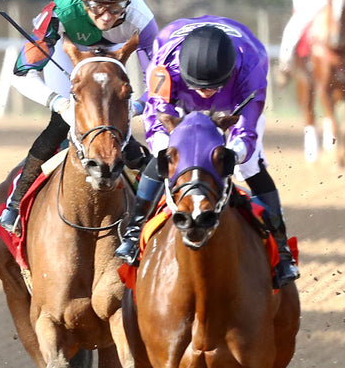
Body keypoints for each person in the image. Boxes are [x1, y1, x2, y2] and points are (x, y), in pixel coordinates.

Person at [114, 18, 300, 288]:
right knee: (162, 158)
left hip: (233, 101)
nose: (205, 93)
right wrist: (169, 151)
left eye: (212, 87)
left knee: (250, 167)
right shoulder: (163, 64)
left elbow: (247, 131)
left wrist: (232, 154)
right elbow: (156, 121)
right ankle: (134, 232)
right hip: (179, 99)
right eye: (199, 87)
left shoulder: (251, 68)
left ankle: (281, 251)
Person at [0, 0, 158, 233]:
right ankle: (16, 201)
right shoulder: (60, 12)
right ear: (82, 0)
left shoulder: (142, 20)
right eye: (97, 6)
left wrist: (139, 107)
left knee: (117, 125)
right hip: (68, 48)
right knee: (63, 124)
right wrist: (59, 103)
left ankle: (155, 201)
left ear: (129, 1)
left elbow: (157, 80)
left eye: (117, 6)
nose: (107, 16)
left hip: (116, 53)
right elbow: (21, 74)